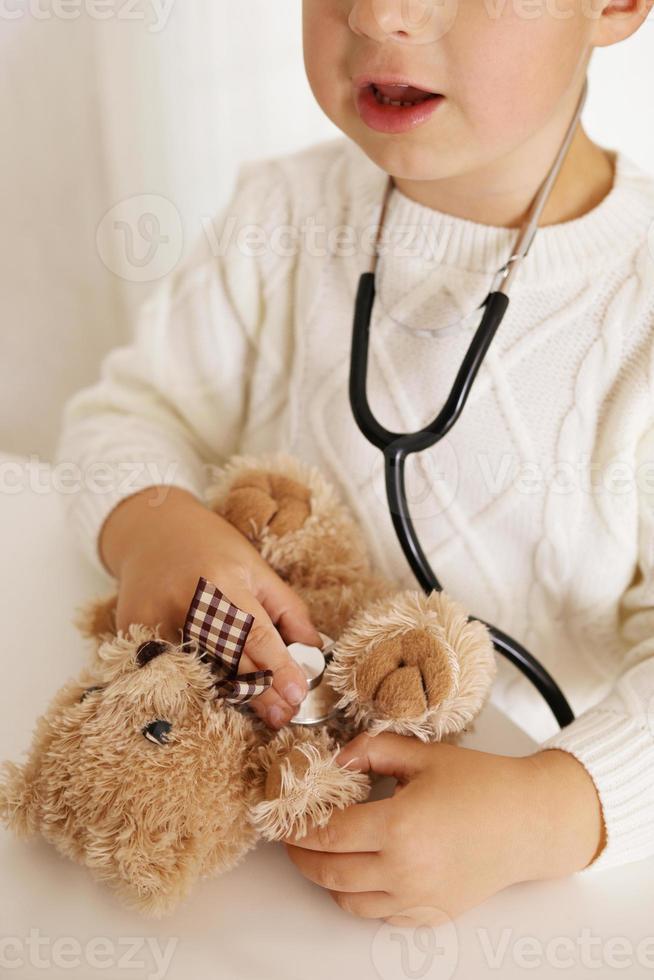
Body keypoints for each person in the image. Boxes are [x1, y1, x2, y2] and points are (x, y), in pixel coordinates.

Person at [56, 0, 654, 925]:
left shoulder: (638, 309)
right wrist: (150, 523)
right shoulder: (283, 218)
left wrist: (552, 809)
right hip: (246, 849)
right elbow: (129, 413)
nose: (380, 13)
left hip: (503, 901)